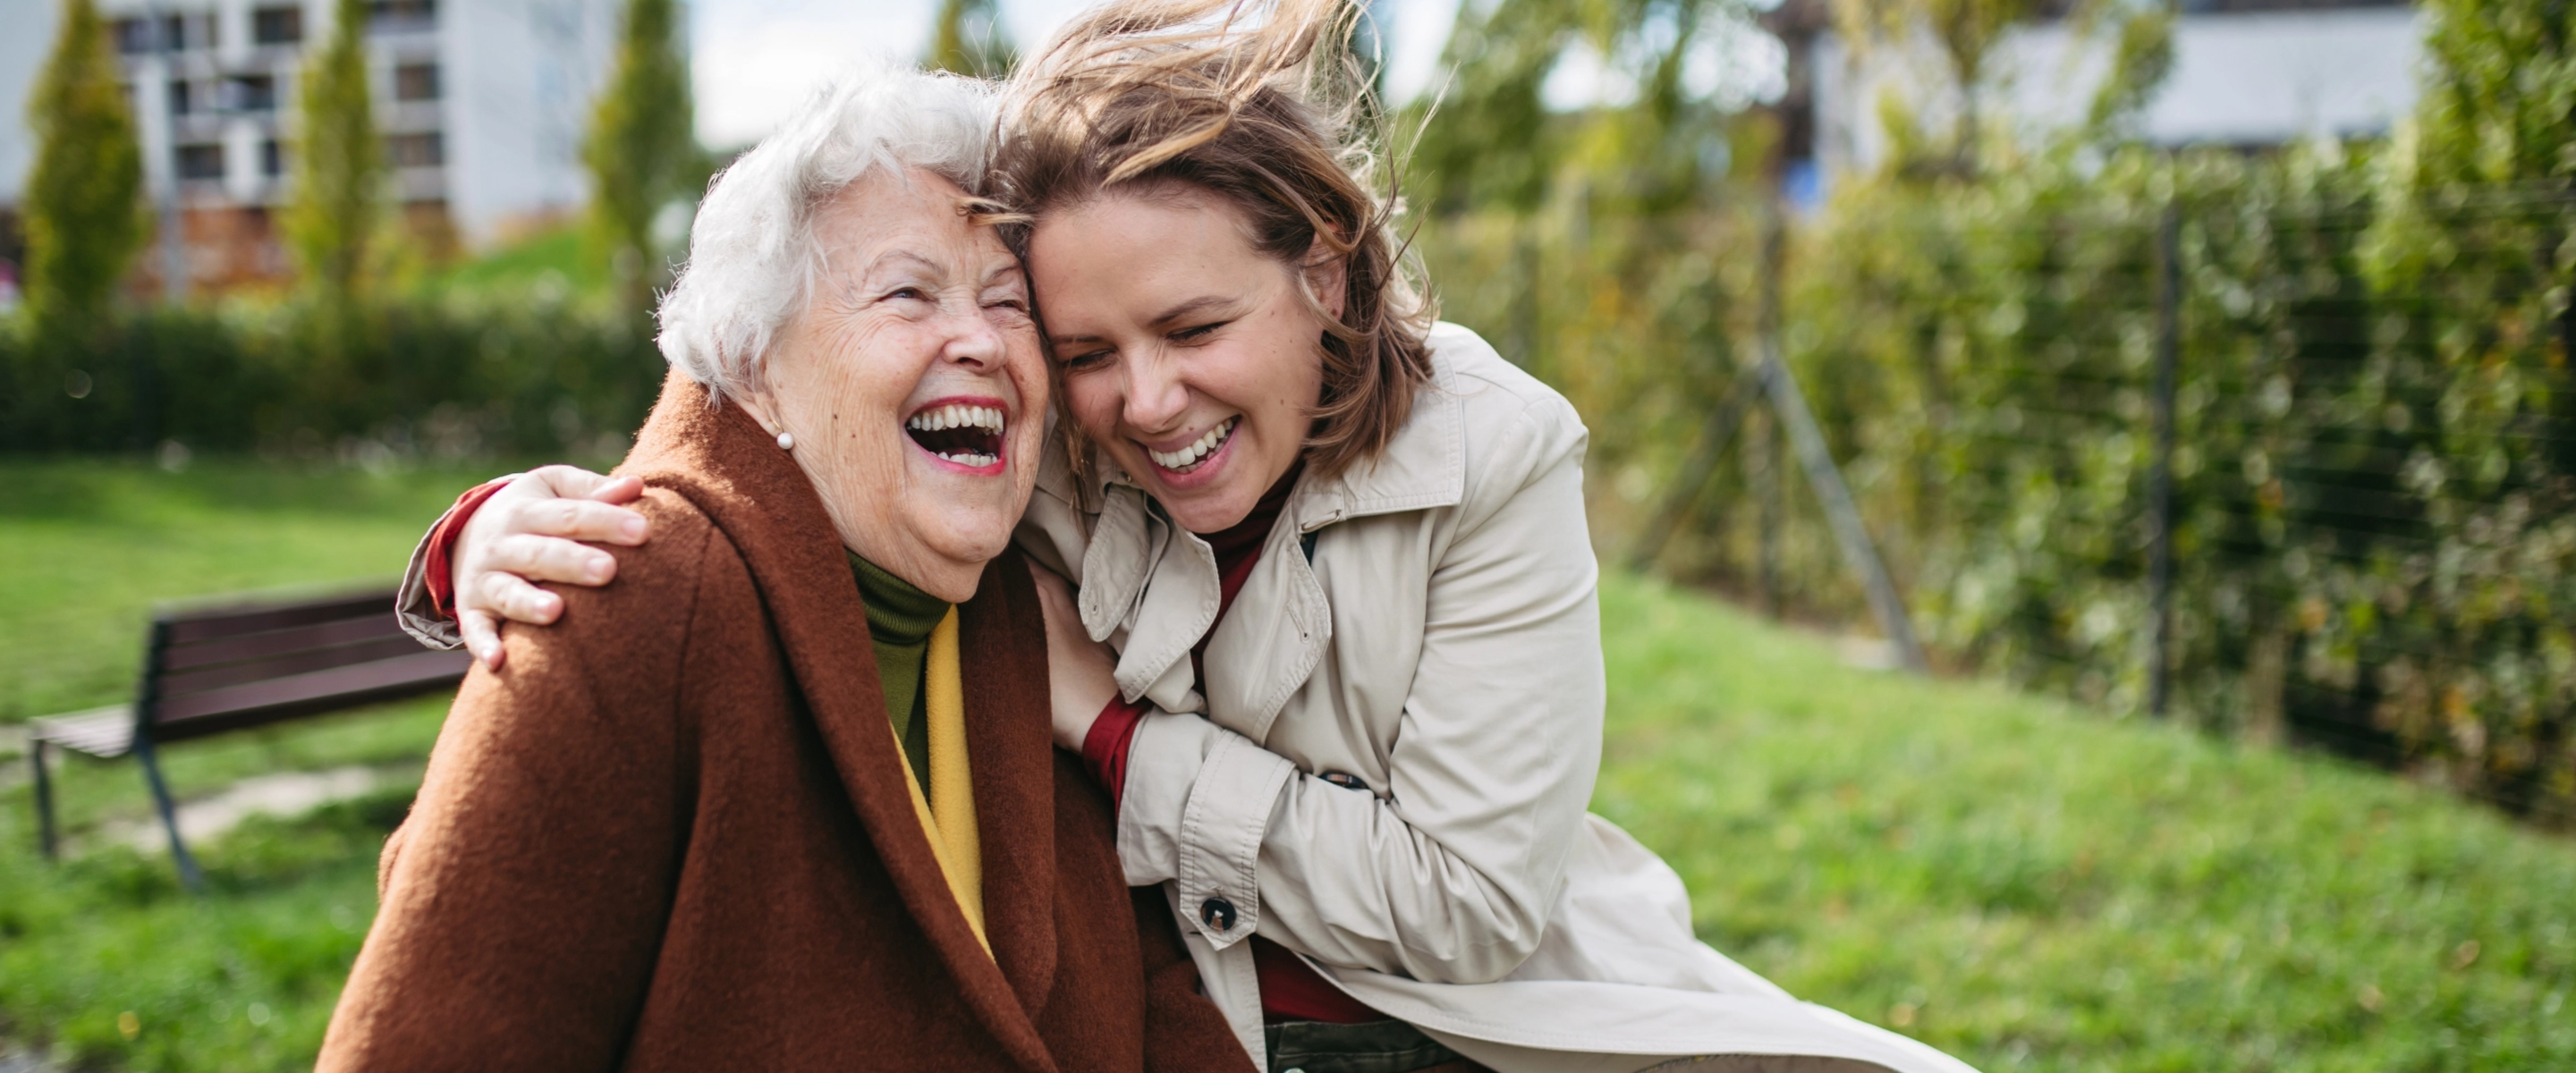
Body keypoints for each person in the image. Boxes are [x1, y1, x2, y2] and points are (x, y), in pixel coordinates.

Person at [394, 4, 1979, 1071]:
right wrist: (492, 533)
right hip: (1198, 1026)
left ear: (1326, 276)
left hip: (1473, 1023)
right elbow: (782, 414)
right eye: (1082, 344)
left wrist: (1116, 737)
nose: (1142, 402)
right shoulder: (1041, 452)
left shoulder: (1497, 458)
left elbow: (1469, 907)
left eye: (1196, 326)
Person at [318, 66, 1251, 1073]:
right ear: (753, 363)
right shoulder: (631, 593)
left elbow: (1153, 1005)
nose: (982, 340)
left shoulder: (1028, 606)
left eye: (1007, 300)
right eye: (908, 292)